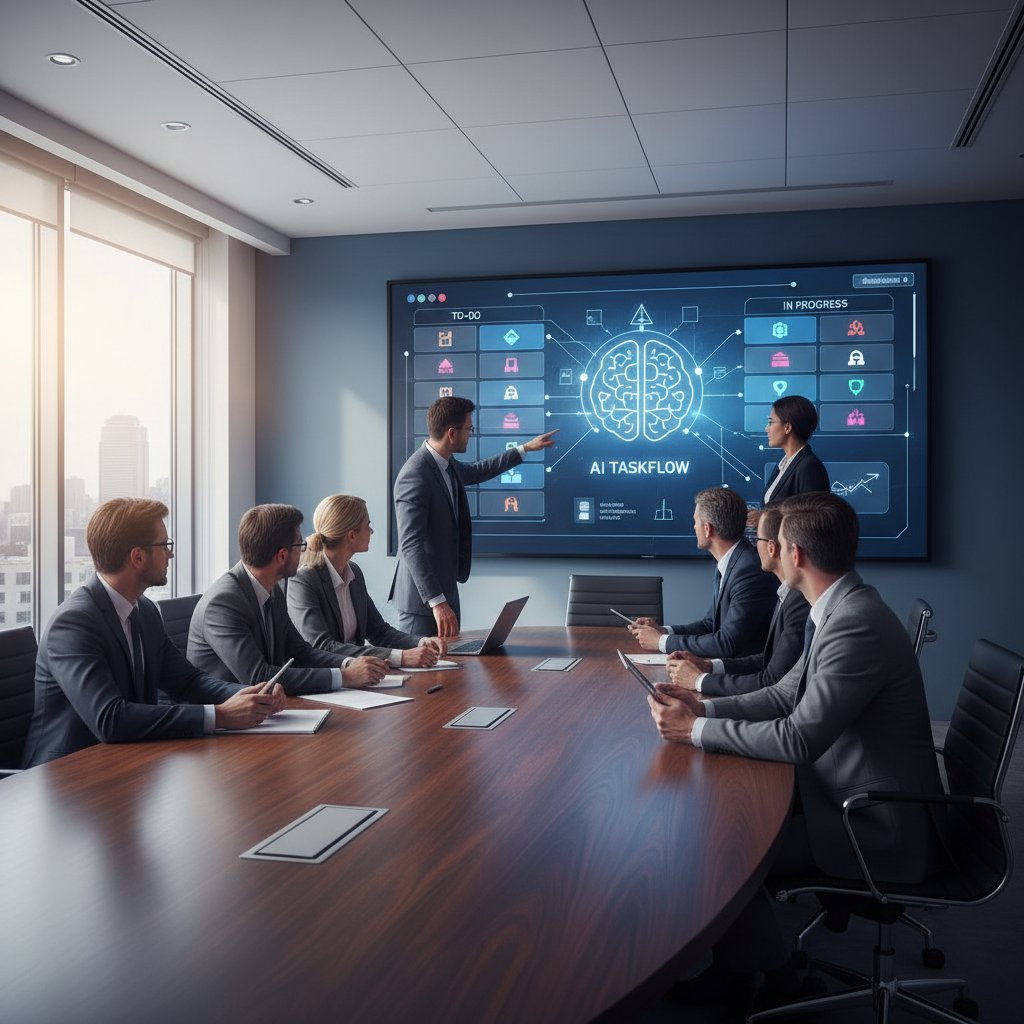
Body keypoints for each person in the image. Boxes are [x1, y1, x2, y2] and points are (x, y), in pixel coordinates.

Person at [649, 493, 944, 1005]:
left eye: (774, 545)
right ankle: (754, 972)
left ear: (797, 555)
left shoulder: (853, 622)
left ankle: (766, 985)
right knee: (724, 819)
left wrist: (693, 733)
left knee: (722, 852)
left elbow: (799, 737)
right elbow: (788, 692)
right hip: (844, 789)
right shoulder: (838, 607)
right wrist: (703, 711)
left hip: (873, 820)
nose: (767, 556)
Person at [22, 499, 284, 768]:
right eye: (165, 546)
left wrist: (253, 695)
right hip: (65, 776)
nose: (170, 555)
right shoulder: (74, 623)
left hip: (130, 761)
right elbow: (109, 719)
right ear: (137, 557)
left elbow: (187, 682)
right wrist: (219, 715)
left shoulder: (145, 610)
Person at [389, 396, 557, 637]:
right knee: (420, 669)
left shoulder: (446, 464)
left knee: (450, 667)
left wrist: (525, 448)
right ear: (451, 433)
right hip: (422, 603)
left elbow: (479, 470)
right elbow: (410, 544)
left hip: (446, 592)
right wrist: (437, 602)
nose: (471, 434)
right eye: (469, 429)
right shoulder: (415, 475)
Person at [188, 504, 388, 695]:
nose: (304, 551)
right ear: (282, 555)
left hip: (267, 707)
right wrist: (344, 677)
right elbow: (259, 676)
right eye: (300, 544)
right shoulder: (223, 603)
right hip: (227, 716)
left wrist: (349, 664)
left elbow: (300, 652)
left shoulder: (272, 588)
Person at [288, 493, 446, 668]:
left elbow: (379, 632)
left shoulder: (354, 572)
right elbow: (321, 646)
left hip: (359, 678)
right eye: (367, 525)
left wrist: (421, 642)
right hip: (325, 681)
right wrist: (400, 657)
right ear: (352, 535)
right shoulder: (303, 580)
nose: (371, 531)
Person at [666, 505, 809, 696]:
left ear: (772, 548)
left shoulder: (795, 599)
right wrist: (708, 666)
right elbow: (767, 659)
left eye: (756, 538)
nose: (752, 545)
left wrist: (698, 680)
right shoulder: (786, 593)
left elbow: (771, 680)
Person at [629, 487, 777, 657]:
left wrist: (660, 641)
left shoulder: (748, 571)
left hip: (742, 673)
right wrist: (663, 631)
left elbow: (727, 643)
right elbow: (710, 624)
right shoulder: (732, 562)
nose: (693, 527)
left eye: (695, 522)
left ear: (707, 529)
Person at [746, 394, 830, 529]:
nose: (766, 429)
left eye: (771, 422)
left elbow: (812, 521)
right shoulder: (783, 465)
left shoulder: (809, 466)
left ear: (787, 427)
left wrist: (764, 519)